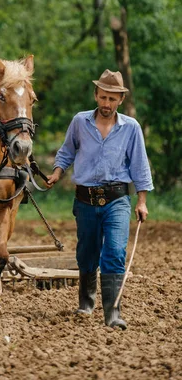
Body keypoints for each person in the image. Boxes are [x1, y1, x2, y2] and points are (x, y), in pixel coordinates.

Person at [46, 69, 153, 330]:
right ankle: (86, 302)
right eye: (103, 97)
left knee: (115, 252)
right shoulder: (79, 122)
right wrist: (57, 173)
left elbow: (140, 165)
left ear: (120, 100)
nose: (106, 104)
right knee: (87, 253)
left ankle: (112, 312)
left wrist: (141, 201)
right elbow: (66, 152)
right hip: (85, 199)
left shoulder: (131, 128)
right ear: (96, 95)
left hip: (117, 199)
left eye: (112, 99)